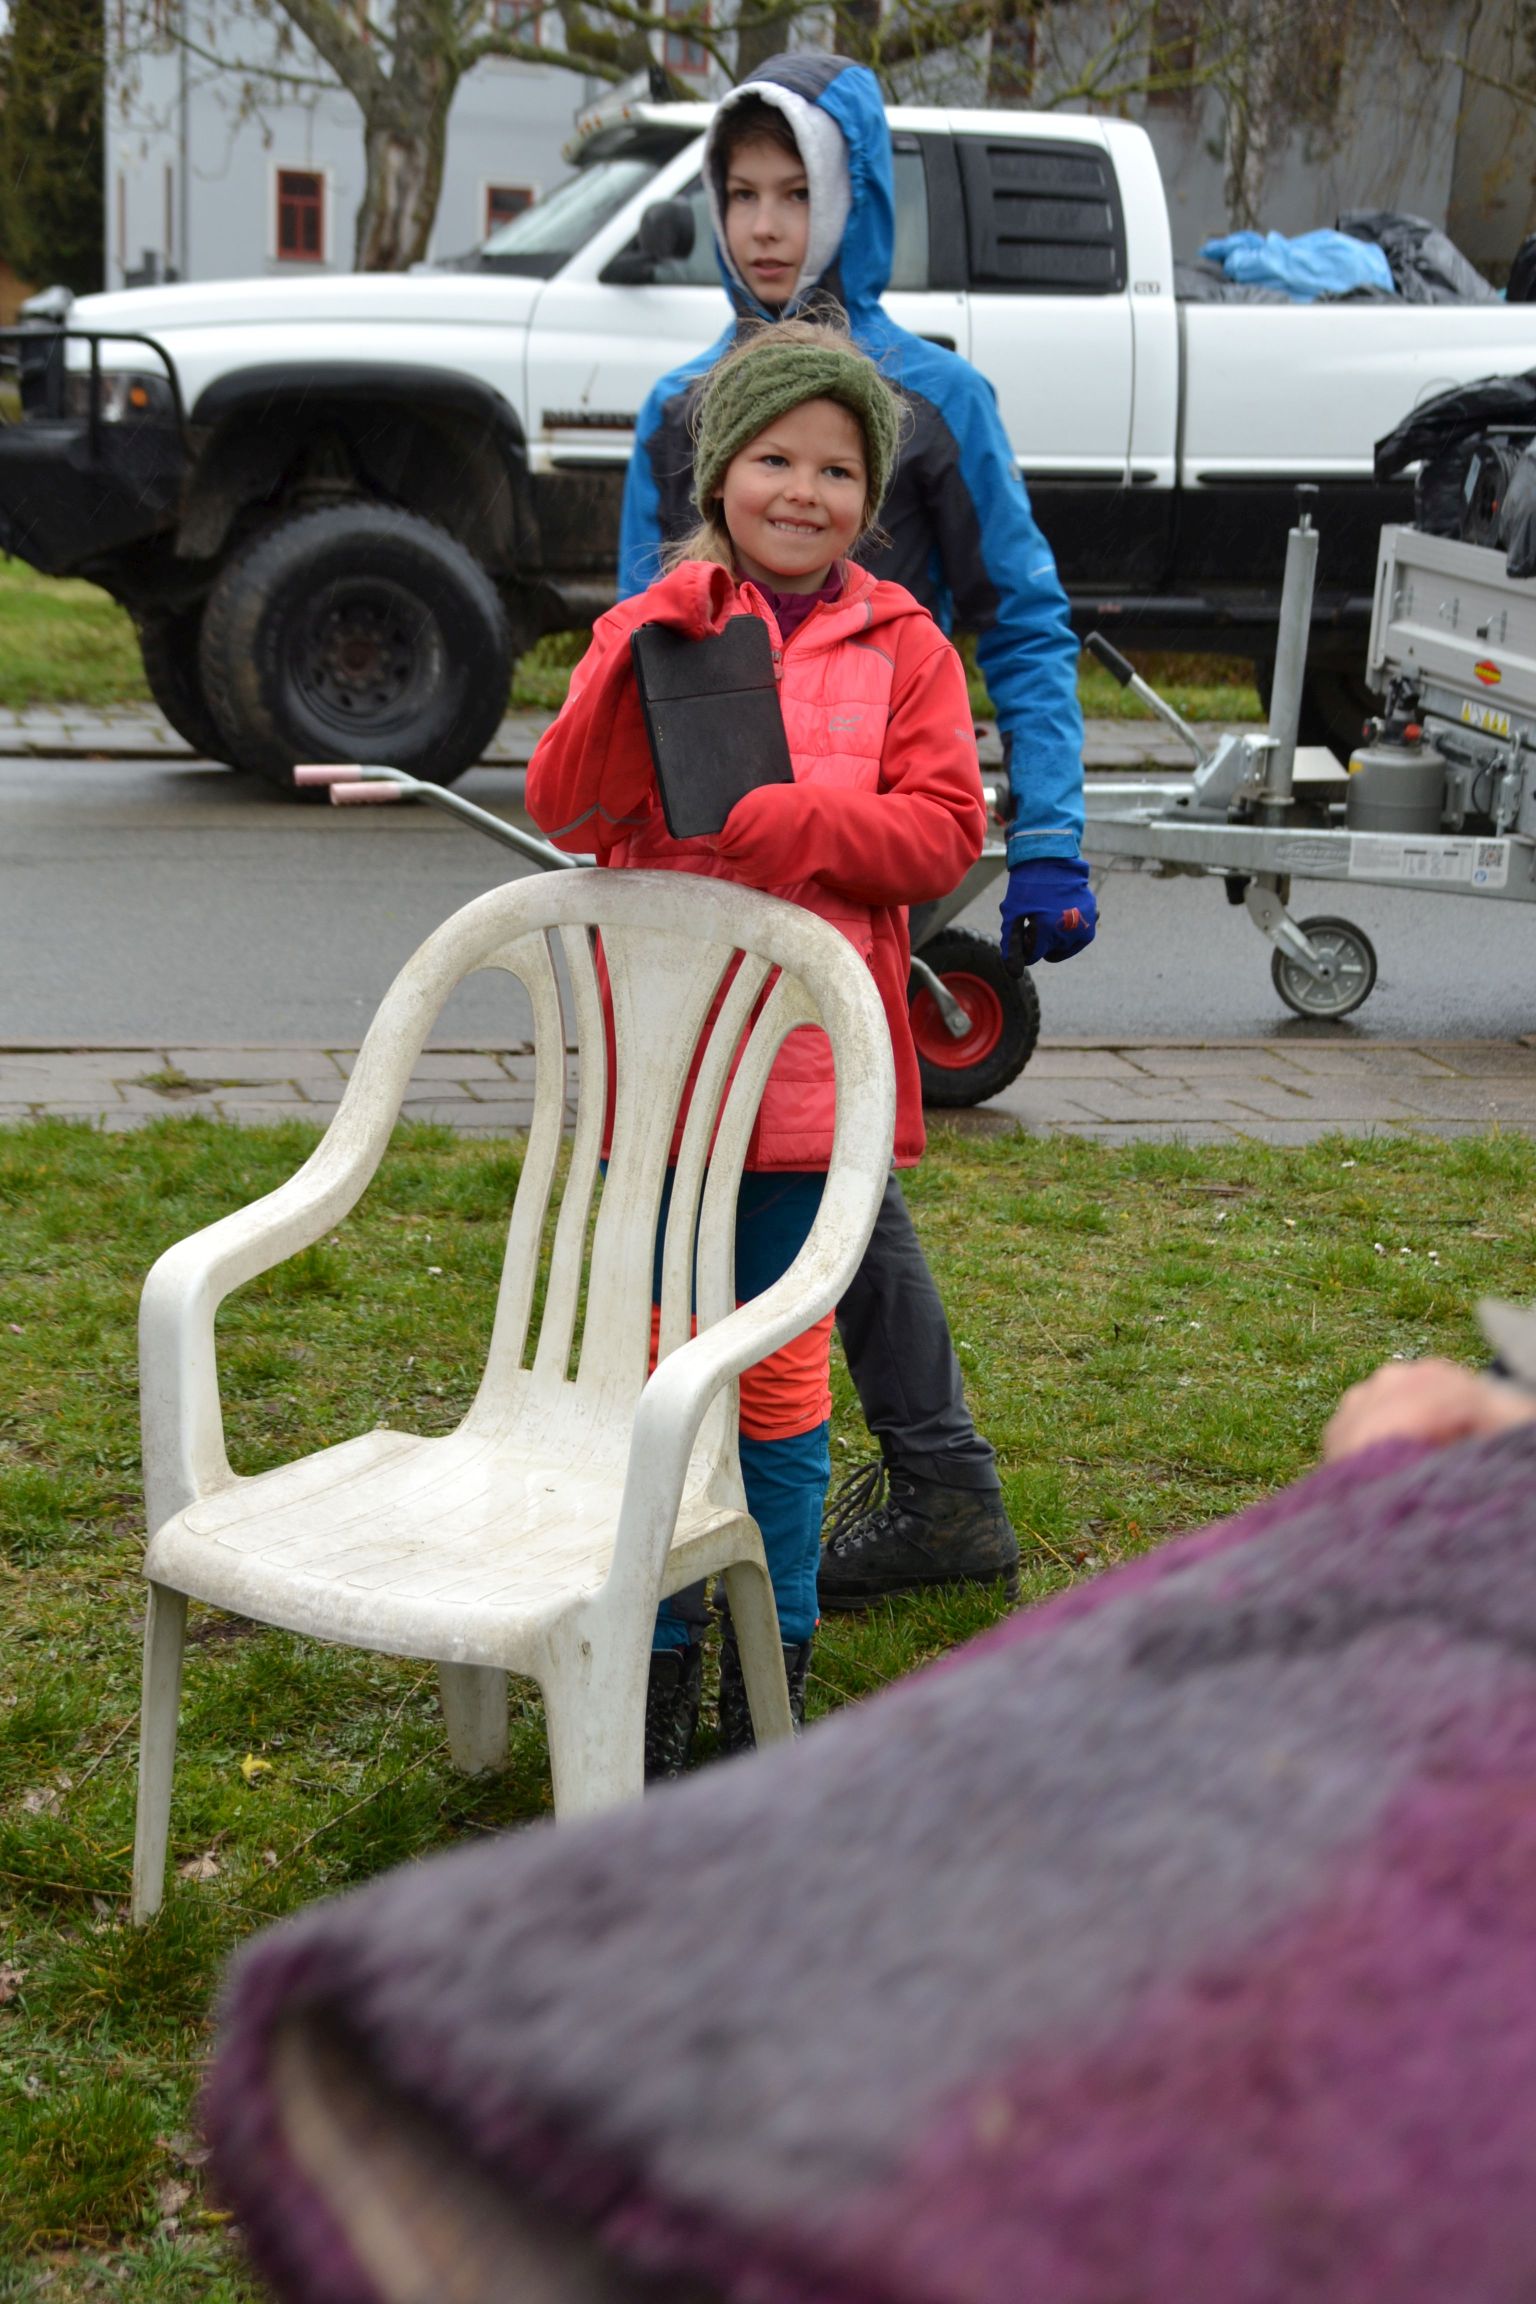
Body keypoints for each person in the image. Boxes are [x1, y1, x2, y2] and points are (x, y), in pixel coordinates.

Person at [620, 52, 1096, 1610]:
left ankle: (872, 1498)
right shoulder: (684, 408)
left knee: (818, 1151)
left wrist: (1050, 833)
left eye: (796, 192)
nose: (765, 228)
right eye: (739, 195)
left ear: (855, 199)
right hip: (707, 870)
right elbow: (637, 639)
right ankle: (873, 1490)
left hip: (874, 833)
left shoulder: (935, 401)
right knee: (790, 1159)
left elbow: (1023, 618)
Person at [527, 320, 988, 1771]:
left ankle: (766, 1659)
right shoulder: (653, 623)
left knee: (779, 1395)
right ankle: (663, 1658)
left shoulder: (905, 646)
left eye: (839, 470)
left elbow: (946, 832)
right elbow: (568, 807)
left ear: (871, 495)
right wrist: (627, 655)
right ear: (722, 473)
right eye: (776, 459)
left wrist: (814, 828)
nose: (805, 492)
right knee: (665, 1387)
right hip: (665, 1088)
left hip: (802, 1094)